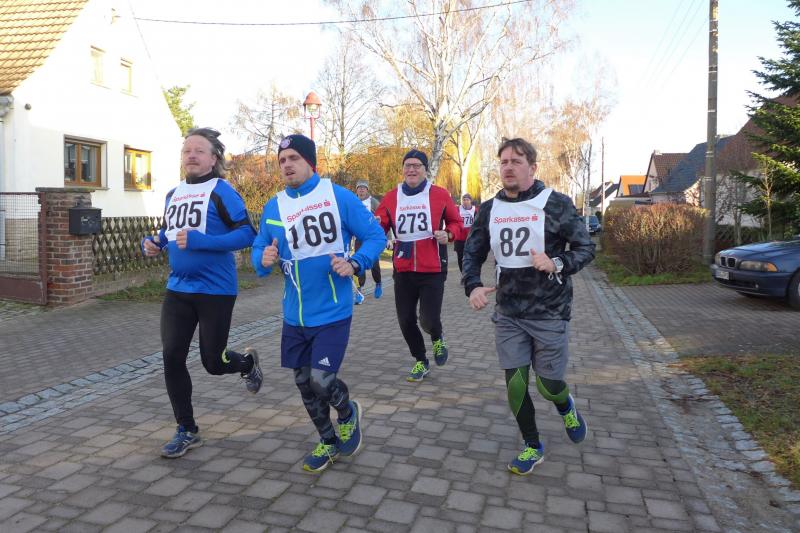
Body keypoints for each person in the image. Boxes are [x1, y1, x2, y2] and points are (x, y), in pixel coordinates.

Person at [251, 134, 385, 472]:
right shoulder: (274, 206)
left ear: (311, 163)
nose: (287, 165)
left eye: (294, 158)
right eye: (282, 160)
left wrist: (356, 263)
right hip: (294, 314)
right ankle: (327, 440)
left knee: (321, 380)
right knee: (303, 383)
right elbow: (259, 248)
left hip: (332, 310)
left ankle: (348, 413)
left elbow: (375, 236)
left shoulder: (338, 197)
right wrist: (262, 259)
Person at [462, 137, 595, 475]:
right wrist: (472, 285)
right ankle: (532, 445)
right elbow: (472, 252)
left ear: (533, 168)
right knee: (516, 384)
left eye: (516, 161)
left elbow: (585, 247)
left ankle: (566, 406)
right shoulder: (489, 209)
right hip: (509, 312)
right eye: (503, 161)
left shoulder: (556, 204)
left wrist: (557, 262)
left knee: (548, 387)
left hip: (549, 311)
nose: (508, 167)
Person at [141, 127, 261, 459]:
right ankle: (187, 429)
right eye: (186, 151)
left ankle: (247, 363)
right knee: (172, 357)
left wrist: (203, 241)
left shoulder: (222, 191)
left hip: (216, 290)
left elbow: (247, 234)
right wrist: (153, 243)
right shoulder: (173, 194)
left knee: (213, 362)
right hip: (178, 289)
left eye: (199, 150)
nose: (191, 155)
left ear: (213, 158)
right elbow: (168, 232)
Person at [375, 149, 463, 382]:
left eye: (417, 166)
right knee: (405, 319)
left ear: (425, 170)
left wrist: (448, 233)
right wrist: (373, 228)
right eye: (408, 165)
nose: (412, 169)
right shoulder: (391, 197)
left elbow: (456, 222)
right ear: (403, 170)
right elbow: (379, 226)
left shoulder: (440, 195)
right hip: (403, 267)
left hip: (432, 266)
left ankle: (437, 337)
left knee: (428, 319)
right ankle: (421, 360)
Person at [353, 180, 383, 303]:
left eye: (363, 188)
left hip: (371, 238)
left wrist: (386, 237)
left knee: (374, 263)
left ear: (367, 190)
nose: (361, 190)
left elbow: (383, 218)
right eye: (359, 188)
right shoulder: (352, 201)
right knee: (358, 263)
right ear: (356, 190)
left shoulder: (373, 202)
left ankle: (378, 283)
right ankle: (359, 289)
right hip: (358, 238)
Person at [454, 193, 477, 273]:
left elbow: (478, 223)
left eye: (467, 200)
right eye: (464, 200)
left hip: (471, 238)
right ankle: (463, 273)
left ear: (471, 201)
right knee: (460, 257)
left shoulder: (475, 210)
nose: (465, 201)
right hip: (459, 238)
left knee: (471, 256)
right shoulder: (457, 209)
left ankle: (470, 272)